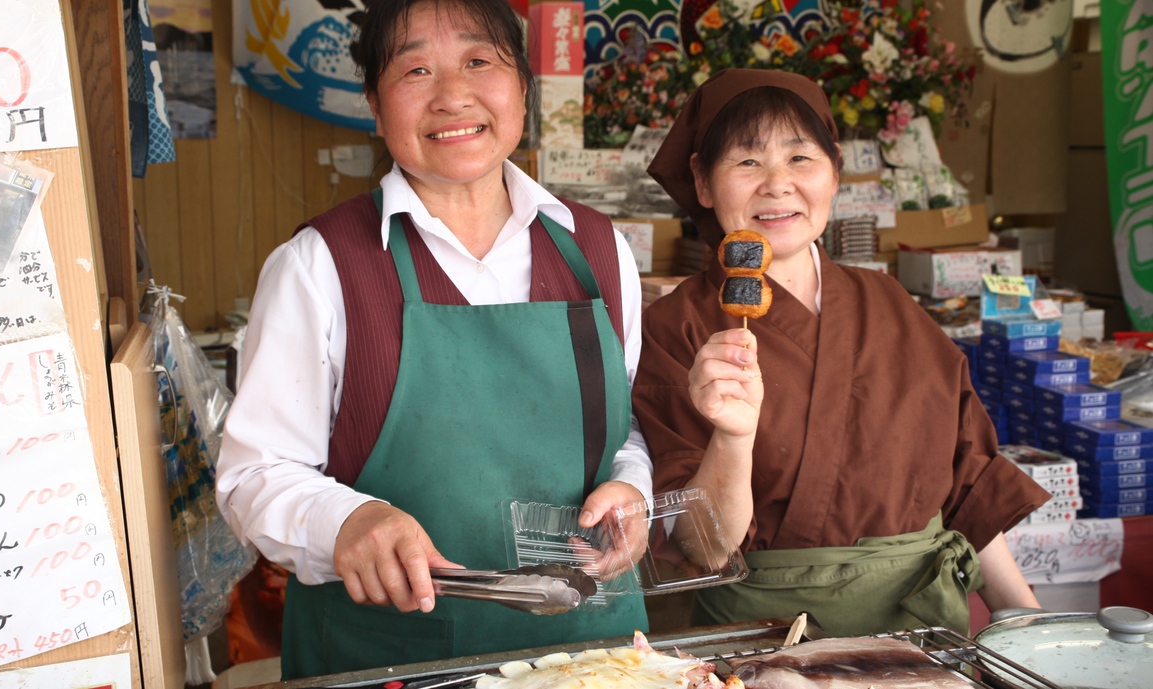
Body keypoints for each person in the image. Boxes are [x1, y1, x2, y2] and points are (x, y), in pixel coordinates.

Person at [215, 0, 650, 679]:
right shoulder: (320, 264)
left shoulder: (600, 249)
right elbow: (253, 473)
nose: (452, 95)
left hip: (586, 649)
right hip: (385, 655)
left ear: (522, 88)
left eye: (479, 61)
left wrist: (632, 489)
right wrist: (347, 522)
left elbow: (616, 431)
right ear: (375, 103)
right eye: (415, 69)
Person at [635, 69, 1050, 637]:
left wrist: (1021, 617)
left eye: (801, 158)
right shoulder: (673, 328)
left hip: (924, 637)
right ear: (703, 183)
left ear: (835, 174)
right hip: (765, 643)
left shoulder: (888, 300)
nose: (778, 185)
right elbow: (703, 547)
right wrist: (734, 437)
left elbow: (966, 480)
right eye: (747, 161)